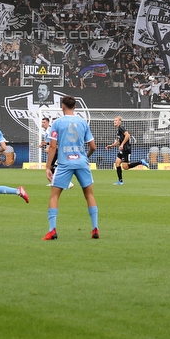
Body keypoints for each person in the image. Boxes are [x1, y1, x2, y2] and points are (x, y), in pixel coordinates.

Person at [44, 95, 99, 240]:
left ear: (62, 106)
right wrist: (85, 157)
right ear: (75, 107)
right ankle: (95, 229)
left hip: (65, 163)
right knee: (89, 195)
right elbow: (93, 146)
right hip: (81, 162)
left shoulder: (57, 123)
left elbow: (52, 147)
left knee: (54, 195)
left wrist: (48, 167)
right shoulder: (82, 122)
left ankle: (52, 230)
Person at [104, 116, 149, 184]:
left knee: (125, 167)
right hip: (122, 150)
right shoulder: (118, 130)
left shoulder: (121, 128)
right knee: (117, 163)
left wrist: (122, 145)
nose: (114, 121)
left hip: (126, 149)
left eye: (116, 120)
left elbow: (127, 135)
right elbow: (119, 141)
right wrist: (111, 146)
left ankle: (141, 162)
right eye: (114, 120)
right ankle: (120, 181)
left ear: (120, 121)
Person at [39, 116, 72, 190]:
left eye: (44, 122)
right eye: (42, 122)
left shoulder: (52, 131)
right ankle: (56, 182)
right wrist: (46, 143)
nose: (43, 124)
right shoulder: (51, 131)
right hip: (57, 151)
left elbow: (54, 143)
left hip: (58, 151)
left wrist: (49, 147)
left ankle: (66, 183)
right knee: (53, 168)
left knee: (52, 167)